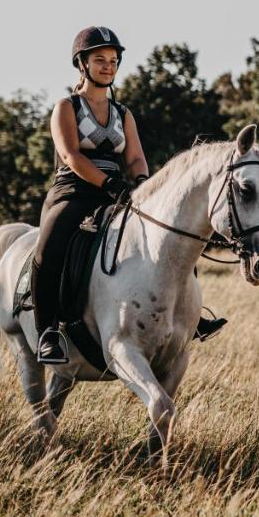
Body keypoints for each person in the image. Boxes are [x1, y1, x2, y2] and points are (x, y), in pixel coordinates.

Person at [30, 26, 227, 364]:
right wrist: (106, 183)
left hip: (116, 194)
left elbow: (135, 156)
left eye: (113, 60)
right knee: (49, 252)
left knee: (172, 239)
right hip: (73, 193)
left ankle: (191, 317)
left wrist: (143, 184)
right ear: (82, 63)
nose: (108, 66)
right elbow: (70, 156)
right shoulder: (67, 107)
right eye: (100, 60)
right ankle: (48, 331)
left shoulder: (123, 114)